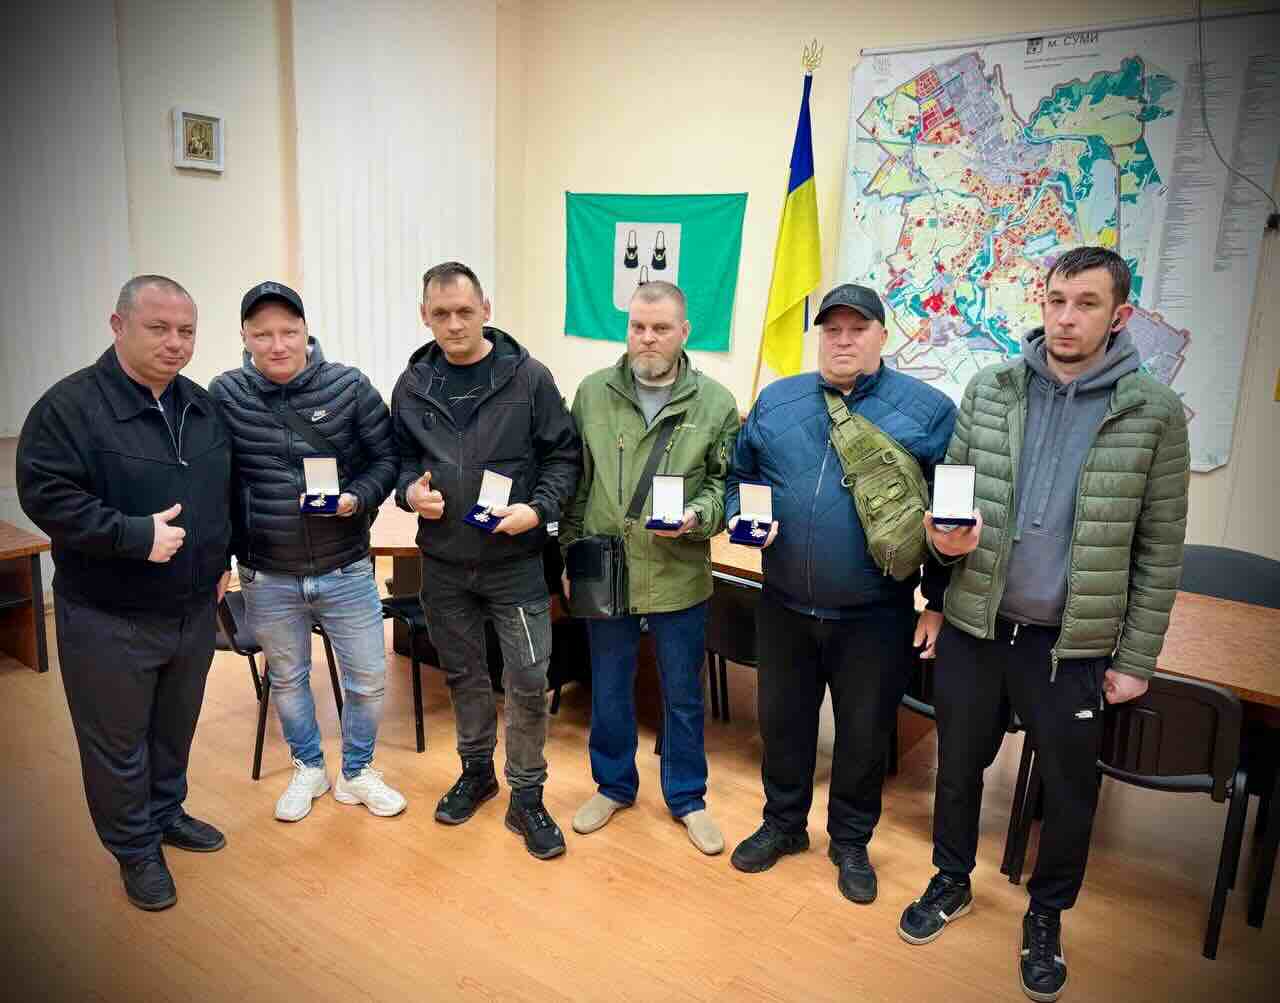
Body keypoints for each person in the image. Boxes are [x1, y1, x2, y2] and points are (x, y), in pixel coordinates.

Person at [896, 246, 1190, 1003]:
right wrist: (939, 571)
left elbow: (1160, 548)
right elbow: (950, 499)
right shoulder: (990, 388)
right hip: (977, 625)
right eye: (1057, 300)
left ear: (1119, 315)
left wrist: (1137, 658)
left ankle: (1046, 914)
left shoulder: (1153, 412)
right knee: (957, 767)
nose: (1065, 317)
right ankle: (951, 879)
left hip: (1070, 645)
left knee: (1068, 790)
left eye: (1086, 303)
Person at [726, 283, 956, 901]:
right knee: (783, 726)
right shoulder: (777, 402)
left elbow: (951, 517)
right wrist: (739, 514)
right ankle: (783, 824)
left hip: (875, 616)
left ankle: (850, 841)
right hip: (784, 607)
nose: (843, 341)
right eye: (832, 330)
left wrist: (937, 600)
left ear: (883, 335)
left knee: (863, 736)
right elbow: (739, 476)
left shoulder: (929, 412)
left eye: (857, 329)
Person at [17, 275, 232, 911]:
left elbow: (222, 491)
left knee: (173, 730)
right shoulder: (68, 408)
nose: (175, 342)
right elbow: (47, 495)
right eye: (157, 328)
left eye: (186, 330)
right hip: (108, 614)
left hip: (192, 609)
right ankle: (135, 850)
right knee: (116, 744)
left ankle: (165, 813)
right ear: (118, 326)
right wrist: (134, 536)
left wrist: (222, 559)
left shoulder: (200, 406)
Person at [390, 261, 580, 859]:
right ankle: (477, 773)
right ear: (424, 316)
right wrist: (409, 493)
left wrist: (537, 510)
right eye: (441, 313)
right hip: (443, 563)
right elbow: (400, 462)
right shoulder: (412, 385)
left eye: (465, 312)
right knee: (464, 674)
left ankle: (528, 795)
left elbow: (564, 458)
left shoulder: (529, 378)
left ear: (486, 311)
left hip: (514, 562)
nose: (454, 324)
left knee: (527, 678)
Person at [209, 281, 404, 822]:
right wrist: (218, 559)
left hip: (345, 566)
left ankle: (357, 771)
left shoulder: (349, 386)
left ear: (305, 331)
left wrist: (357, 497)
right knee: (289, 679)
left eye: (288, 332)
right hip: (266, 573)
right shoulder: (225, 394)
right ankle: (309, 767)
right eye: (262, 335)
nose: (277, 345)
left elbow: (386, 460)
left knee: (368, 679)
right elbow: (213, 481)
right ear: (245, 337)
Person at [561, 280, 740, 856]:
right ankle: (613, 786)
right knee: (609, 687)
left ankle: (687, 797)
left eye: (660, 328)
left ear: (684, 332)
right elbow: (576, 482)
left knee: (682, 694)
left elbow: (724, 486)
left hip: (677, 572)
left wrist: (696, 517)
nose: (647, 338)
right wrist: (570, 555)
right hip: (605, 570)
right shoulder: (592, 392)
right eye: (637, 326)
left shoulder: (715, 403)